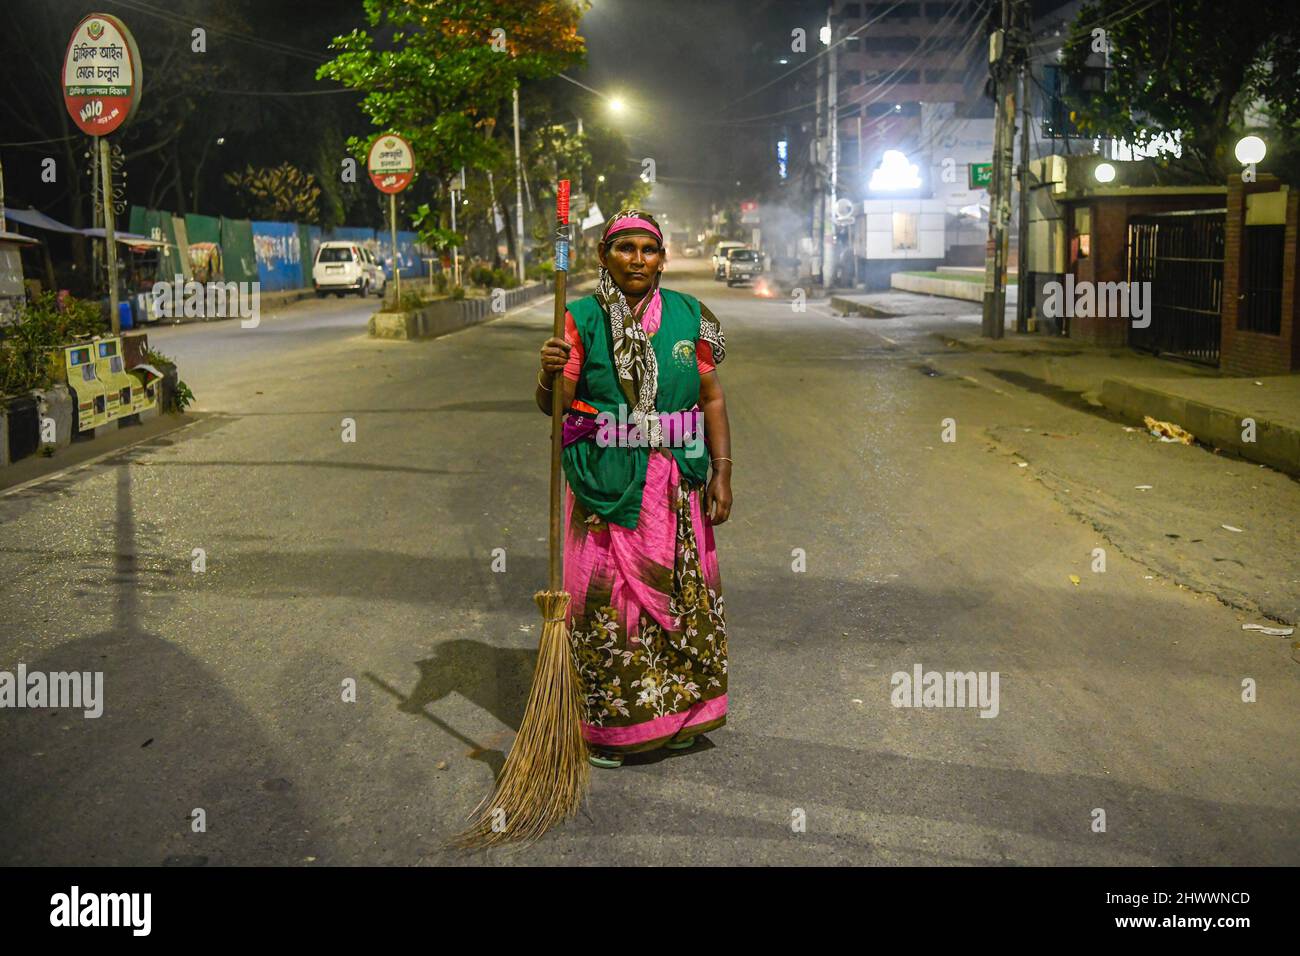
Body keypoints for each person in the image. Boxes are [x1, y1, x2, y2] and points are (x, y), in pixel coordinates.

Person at [535, 209, 732, 769]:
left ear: (662, 258)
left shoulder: (691, 316)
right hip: (607, 484)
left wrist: (723, 468)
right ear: (604, 256)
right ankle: (615, 729)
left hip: (676, 485)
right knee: (608, 604)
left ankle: (684, 716)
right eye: (625, 248)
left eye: (649, 249)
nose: (638, 259)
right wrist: (548, 374)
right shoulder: (580, 320)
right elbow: (557, 408)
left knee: (682, 601)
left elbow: (710, 397)